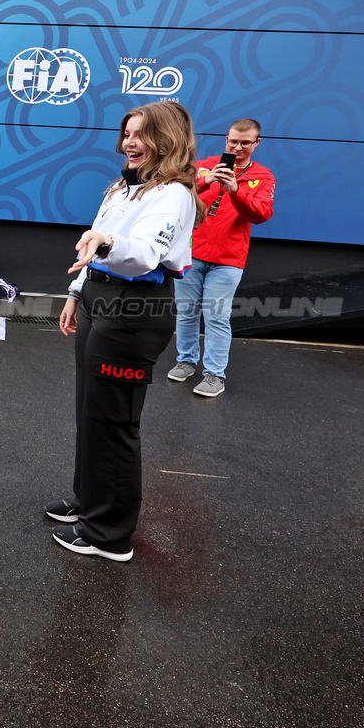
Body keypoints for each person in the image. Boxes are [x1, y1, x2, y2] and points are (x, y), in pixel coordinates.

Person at [49, 101, 204, 562]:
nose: (129, 142)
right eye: (127, 133)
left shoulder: (173, 193)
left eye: (140, 134)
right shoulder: (121, 186)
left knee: (114, 421)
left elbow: (142, 255)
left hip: (135, 307)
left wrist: (108, 242)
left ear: (167, 139)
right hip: (99, 297)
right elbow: (95, 241)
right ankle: (89, 501)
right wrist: (77, 293)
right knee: (89, 410)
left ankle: (109, 535)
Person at [169, 118, 275, 397]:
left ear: (256, 143)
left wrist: (236, 191)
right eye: (232, 141)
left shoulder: (263, 176)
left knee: (216, 316)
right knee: (187, 311)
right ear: (226, 139)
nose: (237, 147)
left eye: (244, 142)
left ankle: (215, 375)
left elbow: (261, 214)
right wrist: (207, 180)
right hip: (191, 253)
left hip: (228, 259)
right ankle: (186, 360)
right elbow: (176, 195)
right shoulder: (204, 165)